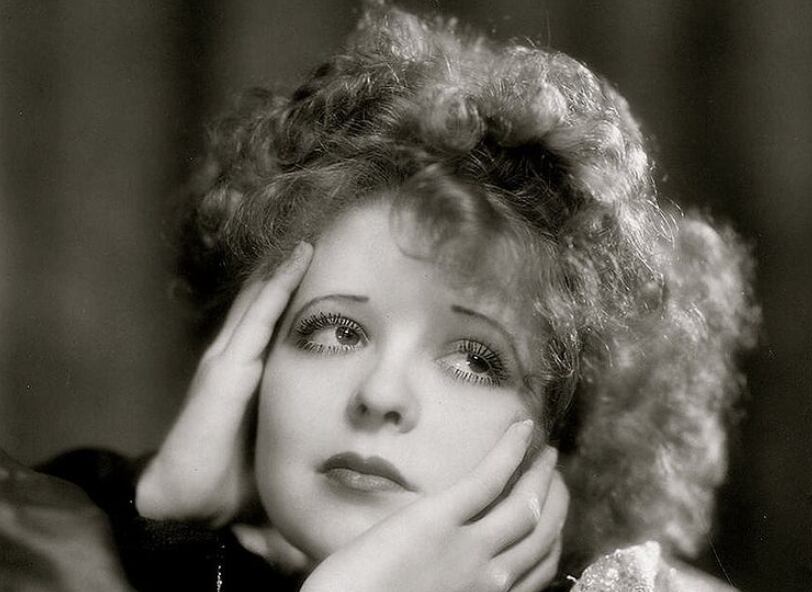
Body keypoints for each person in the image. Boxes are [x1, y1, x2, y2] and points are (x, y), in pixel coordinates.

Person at [0, 3, 758, 591]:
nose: (380, 395)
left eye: (475, 358)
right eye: (334, 331)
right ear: (251, 362)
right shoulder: (76, 538)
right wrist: (160, 508)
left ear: (562, 438)